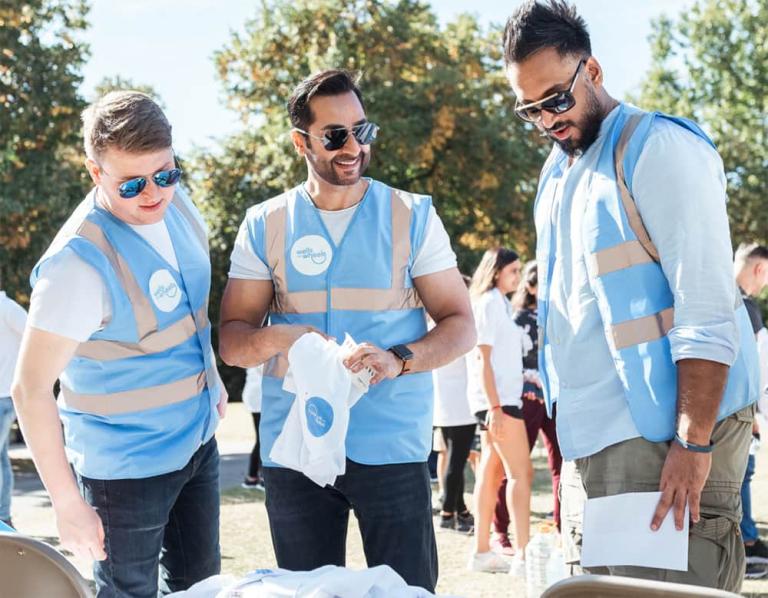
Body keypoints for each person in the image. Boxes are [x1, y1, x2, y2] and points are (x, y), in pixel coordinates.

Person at [503, 1, 758, 591]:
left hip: (667, 440)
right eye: (529, 109)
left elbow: (707, 308)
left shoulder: (660, 149)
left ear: (591, 71)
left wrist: (692, 443)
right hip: (590, 448)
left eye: (556, 100)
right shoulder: (555, 175)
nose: (546, 120)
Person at [218, 69, 475, 592]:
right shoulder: (264, 223)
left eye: (363, 130)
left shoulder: (413, 216)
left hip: (391, 443)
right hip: (297, 448)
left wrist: (399, 358)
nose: (354, 146)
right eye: (335, 135)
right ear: (301, 141)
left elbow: (461, 324)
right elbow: (233, 339)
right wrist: (279, 340)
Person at [11, 91, 227, 597]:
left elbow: (194, 315)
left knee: (205, 590)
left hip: (197, 445)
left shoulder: (177, 206)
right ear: (94, 173)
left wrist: (213, 380)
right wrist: (67, 505)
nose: (153, 195)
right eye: (131, 184)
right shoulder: (76, 267)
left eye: (165, 174)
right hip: (125, 475)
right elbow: (31, 389)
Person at [466, 248, 533, 575]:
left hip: (501, 400)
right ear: (496, 272)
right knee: (521, 473)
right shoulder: (489, 304)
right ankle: (523, 555)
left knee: (492, 474)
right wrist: (494, 406)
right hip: (499, 402)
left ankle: (482, 552)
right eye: (513, 271)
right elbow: (483, 359)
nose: (518, 277)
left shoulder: (501, 304)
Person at [492, 261, 562, 555]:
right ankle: (500, 531)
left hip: (555, 397)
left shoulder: (558, 316)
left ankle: (561, 527)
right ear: (531, 287)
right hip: (526, 398)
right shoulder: (517, 319)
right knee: (515, 468)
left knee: (562, 465)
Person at [734, 242, 768, 578]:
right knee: (742, 474)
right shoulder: (746, 307)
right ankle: (745, 542)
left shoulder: (715, 295)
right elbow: (753, 369)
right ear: (759, 268)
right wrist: (757, 415)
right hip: (740, 412)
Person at [433, 275, 476, 534]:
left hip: (444, 403)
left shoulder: (432, 323)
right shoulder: (459, 327)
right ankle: (448, 512)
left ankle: (459, 507)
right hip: (461, 403)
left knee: (453, 458)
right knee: (456, 462)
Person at [0, 283, 27, 529]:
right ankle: (4, 515)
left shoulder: (6, 308)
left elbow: (35, 335)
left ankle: (2, 516)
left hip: (3, 396)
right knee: (1, 458)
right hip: (6, 396)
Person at [242, 365, 265, 491]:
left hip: (255, 396)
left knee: (261, 439)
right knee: (263, 439)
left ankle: (252, 477)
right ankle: (260, 477)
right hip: (259, 397)